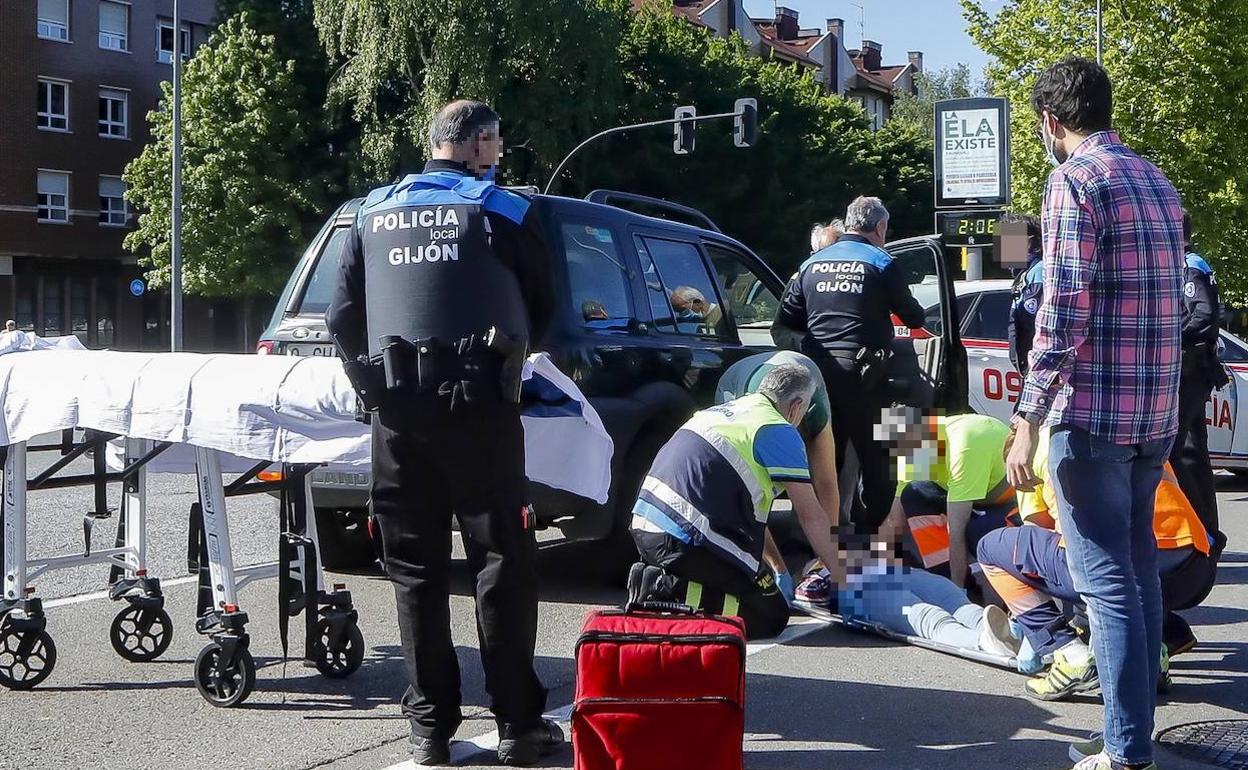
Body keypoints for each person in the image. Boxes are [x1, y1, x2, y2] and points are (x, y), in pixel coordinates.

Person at [324, 99, 560, 767]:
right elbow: (543, 308)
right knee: (500, 562)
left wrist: (377, 388)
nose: (499, 156)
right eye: (497, 143)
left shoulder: (371, 213)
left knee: (414, 570)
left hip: (397, 414)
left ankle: (429, 729)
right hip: (479, 407)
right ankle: (517, 724)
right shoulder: (503, 210)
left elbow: (342, 319)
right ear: (481, 143)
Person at [1005, 58, 1186, 770]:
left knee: (1107, 585)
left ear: (1052, 122)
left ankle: (1125, 750)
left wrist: (1026, 418)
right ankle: (1126, 733)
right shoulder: (1157, 181)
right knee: (1136, 581)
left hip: (1094, 417)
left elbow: (1063, 309)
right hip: (1153, 414)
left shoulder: (1073, 181)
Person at [980, 426, 1216, 698]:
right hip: (1192, 564)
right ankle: (1153, 657)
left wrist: (1035, 631)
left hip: (1119, 563)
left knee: (991, 548)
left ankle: (1070, 656)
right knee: (1129, 579)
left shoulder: (1029, 455)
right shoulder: (1125, 428)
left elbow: (1044, 547)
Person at [627, 364, 846, 640]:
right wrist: (843, 579)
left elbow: (756, 514)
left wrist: (777, 569)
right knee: (770, 615)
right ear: (796, 405)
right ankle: (664, 589)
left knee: (755, 585)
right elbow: (811, 514)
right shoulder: (778, 429)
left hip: (648, 523)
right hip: (684, 538)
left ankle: (666, 580)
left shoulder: (728, 410)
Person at [773, 196, 926, 534]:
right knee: (879, 457)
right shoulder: (881, 261)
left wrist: (814, 348)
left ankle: (820, 535)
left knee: (826, 455)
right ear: (880, 227)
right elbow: (913, 316)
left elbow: (783, 325)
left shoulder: (812, 264)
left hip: (817, 378)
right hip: (866, 378)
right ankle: (875, 534)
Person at [716, 350, 841, 602]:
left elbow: (826, 482)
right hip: (738, 380)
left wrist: (829, 562)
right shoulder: (750, 412)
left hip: (800, 377)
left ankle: (817, 565)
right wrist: (778, 567)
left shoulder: (815, 408)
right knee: (752, 482)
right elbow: (748, 503)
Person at [796, 542, 1020, 658]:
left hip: (896, 573)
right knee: (928, 617)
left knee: (956, 603)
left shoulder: (833, 559)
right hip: (866, 590)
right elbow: (809, 594)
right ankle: (983, 641)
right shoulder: (814, 578)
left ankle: (1004, 632)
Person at [878, 408, 1016, 587]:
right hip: (976, 496)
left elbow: (956, 530)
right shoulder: (911, 449)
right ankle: (941, 576)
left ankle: (970, 588)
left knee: (977, 532)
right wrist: (866, 566)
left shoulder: (963, 447)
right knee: (914, 493)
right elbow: (895, 520)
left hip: (1010, 501)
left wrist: (957, 594)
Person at [1171, 211, 1228, 554]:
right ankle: (1205, 534)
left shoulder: (1189, 265)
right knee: (1191, 454)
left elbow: (1204, 315)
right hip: (1191, 368)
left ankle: (1197, 535)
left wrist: (1169, 338)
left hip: (1190, 367)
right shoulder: (1186, 264)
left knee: (1178, 453)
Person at [1005, 213, 1044, 378]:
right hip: (1026, 367)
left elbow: (1032, 321)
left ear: (1031, 242)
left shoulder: (1039, 271)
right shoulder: (1025, 273)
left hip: (1035, 366)